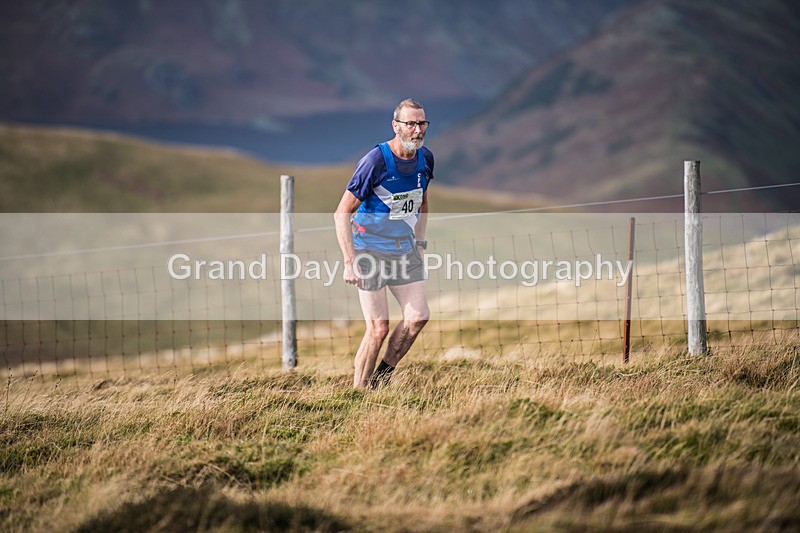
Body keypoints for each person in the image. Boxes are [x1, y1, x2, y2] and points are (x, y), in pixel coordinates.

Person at [334, 98, 434, 389]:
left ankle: (381, 380)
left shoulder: (425, 158)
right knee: (378, 329)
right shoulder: (375, 161)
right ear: (396, 126)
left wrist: (419, 242)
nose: (417, 130)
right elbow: (341, 213)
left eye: (422, 123)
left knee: (418, 317)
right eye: (410, 124)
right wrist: (350, 261)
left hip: (403, 249)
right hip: (369, 249)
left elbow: (422, 202)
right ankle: (358, 391)